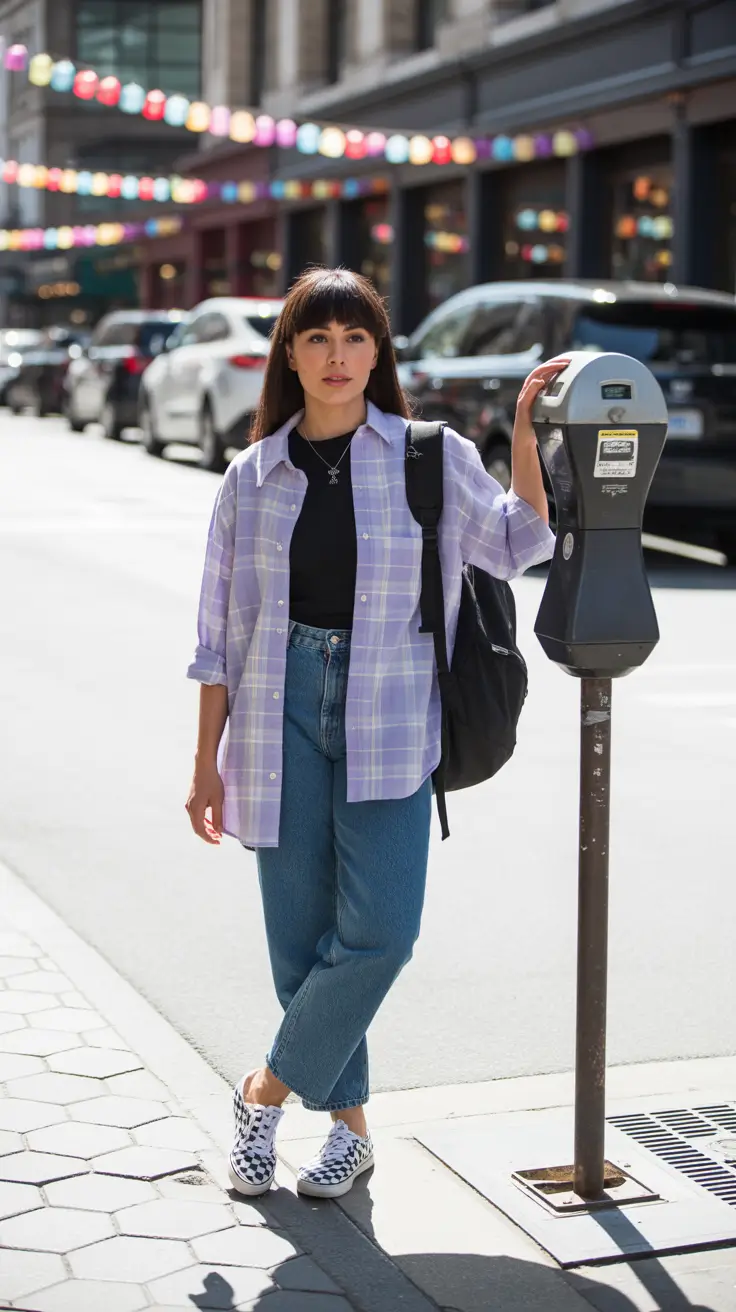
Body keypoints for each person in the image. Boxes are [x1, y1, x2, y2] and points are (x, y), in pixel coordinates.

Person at [186, 267, 563, 1201]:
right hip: (277, 711)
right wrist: (205, 764)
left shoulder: (427, 457)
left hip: (392, 713)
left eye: (355, 337)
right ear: (289, 353)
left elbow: (518, 543)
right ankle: (350, 1135)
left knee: (382, 935)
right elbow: (219, 637)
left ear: (378, 351)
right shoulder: (251, 477)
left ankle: (261, 1092)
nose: (337, 356)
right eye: (317, 337)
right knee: (299, 940)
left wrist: (523, 431)